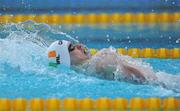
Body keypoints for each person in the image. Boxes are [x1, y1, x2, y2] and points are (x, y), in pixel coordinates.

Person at [47, 40, 180, 92]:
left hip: (163, 84)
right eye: (72, 48)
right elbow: (131, 72)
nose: (79, 46)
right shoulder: (99, 60)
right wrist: (156, 85)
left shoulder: (94, 65)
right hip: (163, 83)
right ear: (64, 58)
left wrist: (157, 86)